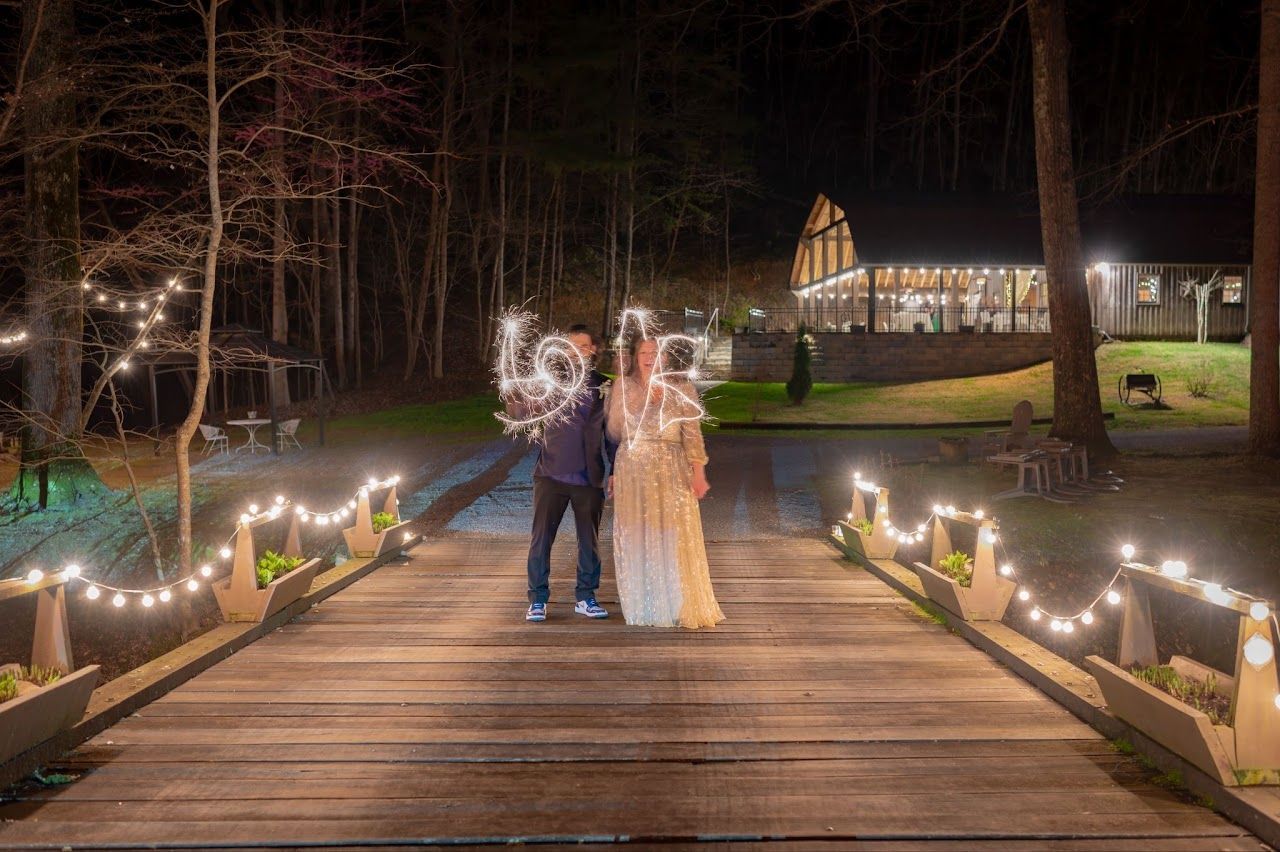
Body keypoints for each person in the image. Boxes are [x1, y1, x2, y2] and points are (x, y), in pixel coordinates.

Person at [605, 336, 724, 629]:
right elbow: (615, 430)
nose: (649, 357)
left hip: (670, 465)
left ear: (666, 357)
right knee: (638, 532)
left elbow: (692, 433)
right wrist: (637, 398)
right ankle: (645, 604)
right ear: (635, 356)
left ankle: (676, 602)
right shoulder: (623, 386)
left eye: (655, 352)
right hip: (632, 466)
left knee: (673, 532)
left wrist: (699, 472)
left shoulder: (682, 388)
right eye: (643, 352)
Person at [510, 325, 614, 623]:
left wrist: (615, 468)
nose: (576, 351)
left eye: (583, 346)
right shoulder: (549, 382)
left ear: (593, 349)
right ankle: (538, 599)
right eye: (571, 346)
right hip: (551, 475)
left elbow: (613, 434)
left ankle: (586, 596)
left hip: (589, 477)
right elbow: (522, 414)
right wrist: (513, 392)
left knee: (589, 540)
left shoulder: (605, 386)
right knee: (542, 539)